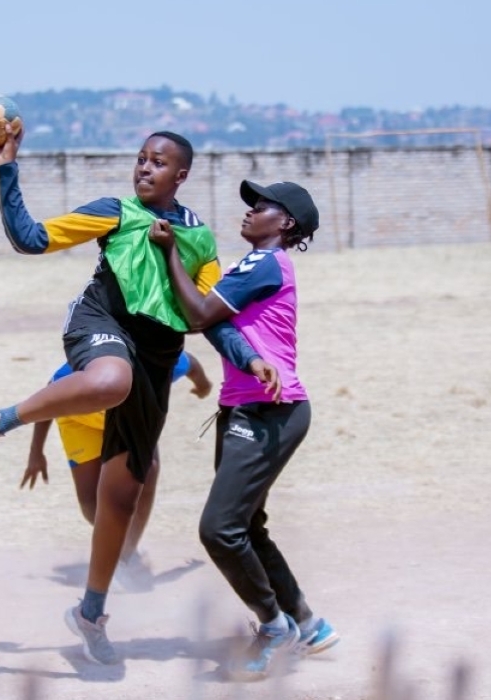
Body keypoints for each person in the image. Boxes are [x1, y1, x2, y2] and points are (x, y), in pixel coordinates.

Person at [0, 127, 274, 665]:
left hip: (155, 356)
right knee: (109, 380)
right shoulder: (115, 213)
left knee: (121, 497)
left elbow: (209, 317)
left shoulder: (199, 240)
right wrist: (7, 165)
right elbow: (30, 237)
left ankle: (89, 613)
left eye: (158, 162)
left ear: (181, 175)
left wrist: (247, 357)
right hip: (98, 325)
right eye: (141, 159)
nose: (145, 168)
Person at [149, 179, 339, 681]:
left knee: (220, 529)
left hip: (269, 409)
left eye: (263, 206)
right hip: (247, 406)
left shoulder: (263, 263)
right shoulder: (248, 267)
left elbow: (198, 314)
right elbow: (214, 322)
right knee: (247, 526)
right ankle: (307, 623)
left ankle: (275, 629)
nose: (250, 211)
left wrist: (170, 253)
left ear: (286, 223)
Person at [22, 351, 211, 591]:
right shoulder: (81, 373)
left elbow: (191, 363)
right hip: (80, 422)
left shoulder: (159, 362)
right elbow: (46, 399)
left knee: (148, 472)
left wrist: (203, 385)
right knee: (91, 504)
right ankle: (120, 541)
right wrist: (36, 453)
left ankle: (124, 558)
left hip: (129, 424)